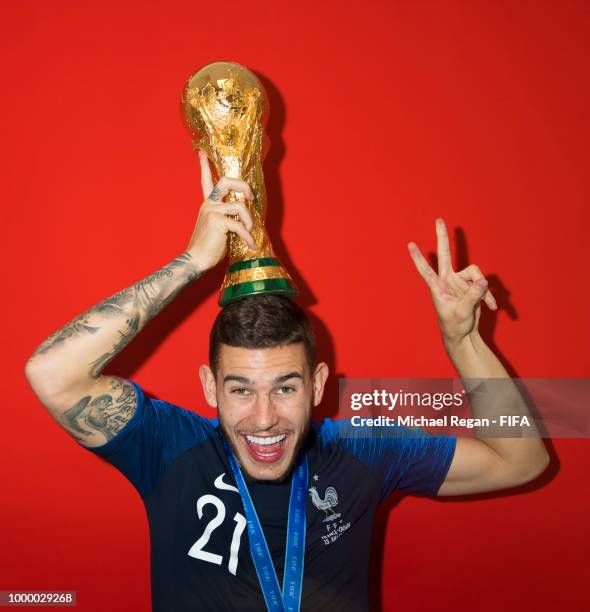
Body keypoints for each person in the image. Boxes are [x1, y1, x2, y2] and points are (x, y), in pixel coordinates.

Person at [24, 150, 550, 611]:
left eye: (285, 387)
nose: (264, 418)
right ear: (210, 387)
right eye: (240, 389)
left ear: (318, 385)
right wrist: (192, 262)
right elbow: (51, 373)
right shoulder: (168, 448)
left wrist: (465, 343)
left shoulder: (366, 450)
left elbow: (522, 461)